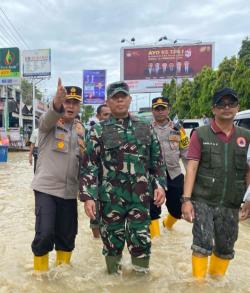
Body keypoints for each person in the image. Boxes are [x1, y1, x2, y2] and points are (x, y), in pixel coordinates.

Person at [79, 81, 166, 274]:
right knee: (111, 243)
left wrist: (160, 186)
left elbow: (156, 162)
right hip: (110, 199)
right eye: (114, 97)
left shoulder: (145, 127)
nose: (119, 100)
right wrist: (88, 197)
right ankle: (112, 282)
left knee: (141, 242)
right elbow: (89, 166)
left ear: (129, 99)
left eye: (123, 96)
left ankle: (139, 283)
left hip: (140, 198)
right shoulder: (97, 131)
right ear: (108, 102)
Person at [181, 87, 250, 279]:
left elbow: (248, 170)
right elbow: (192, 167)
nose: (227, 108)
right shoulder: (201, 134)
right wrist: (186, 200)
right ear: (214, 109)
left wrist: (248, 200)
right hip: (203, 199)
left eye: (231, 104)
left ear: (237, 107)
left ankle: (217, 284)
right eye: (222, 104)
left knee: (226, 246)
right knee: (202, 243)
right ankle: (199, 287)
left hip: (232, 201)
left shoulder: (246, 136)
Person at [31, 79, 85, 272]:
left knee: (67, 238)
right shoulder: (50, 124)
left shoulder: (81, 131)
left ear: (79, 106)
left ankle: (61, 281)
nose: (70, 106)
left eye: (75, 102)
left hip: (69, 193)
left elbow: (86, 163)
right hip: (46, 189)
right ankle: (40, 279)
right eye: (67, 101)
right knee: (44, 234)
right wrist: (56, 103)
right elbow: (48, 117)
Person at [149, 97, 189, 238]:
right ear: (152, 111)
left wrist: (191, 176)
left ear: (168, 110)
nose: (160, 112)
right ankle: (156, 240)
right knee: (153, 209)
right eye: (157, 109)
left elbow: (186, 153)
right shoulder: (147, 130)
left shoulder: (178, 129)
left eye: (163, 108)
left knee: (177, 210)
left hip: (174, 174)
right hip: (153, 175)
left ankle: (168, 225)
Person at [89, 104, 111, 238]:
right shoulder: (93, 132)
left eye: (111, 115)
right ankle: (96, 242)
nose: (108, 118)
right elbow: (87, 161)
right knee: (95, 217)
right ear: (98, 116)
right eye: (105, 115)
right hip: (97, 182)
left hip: (115, 183)